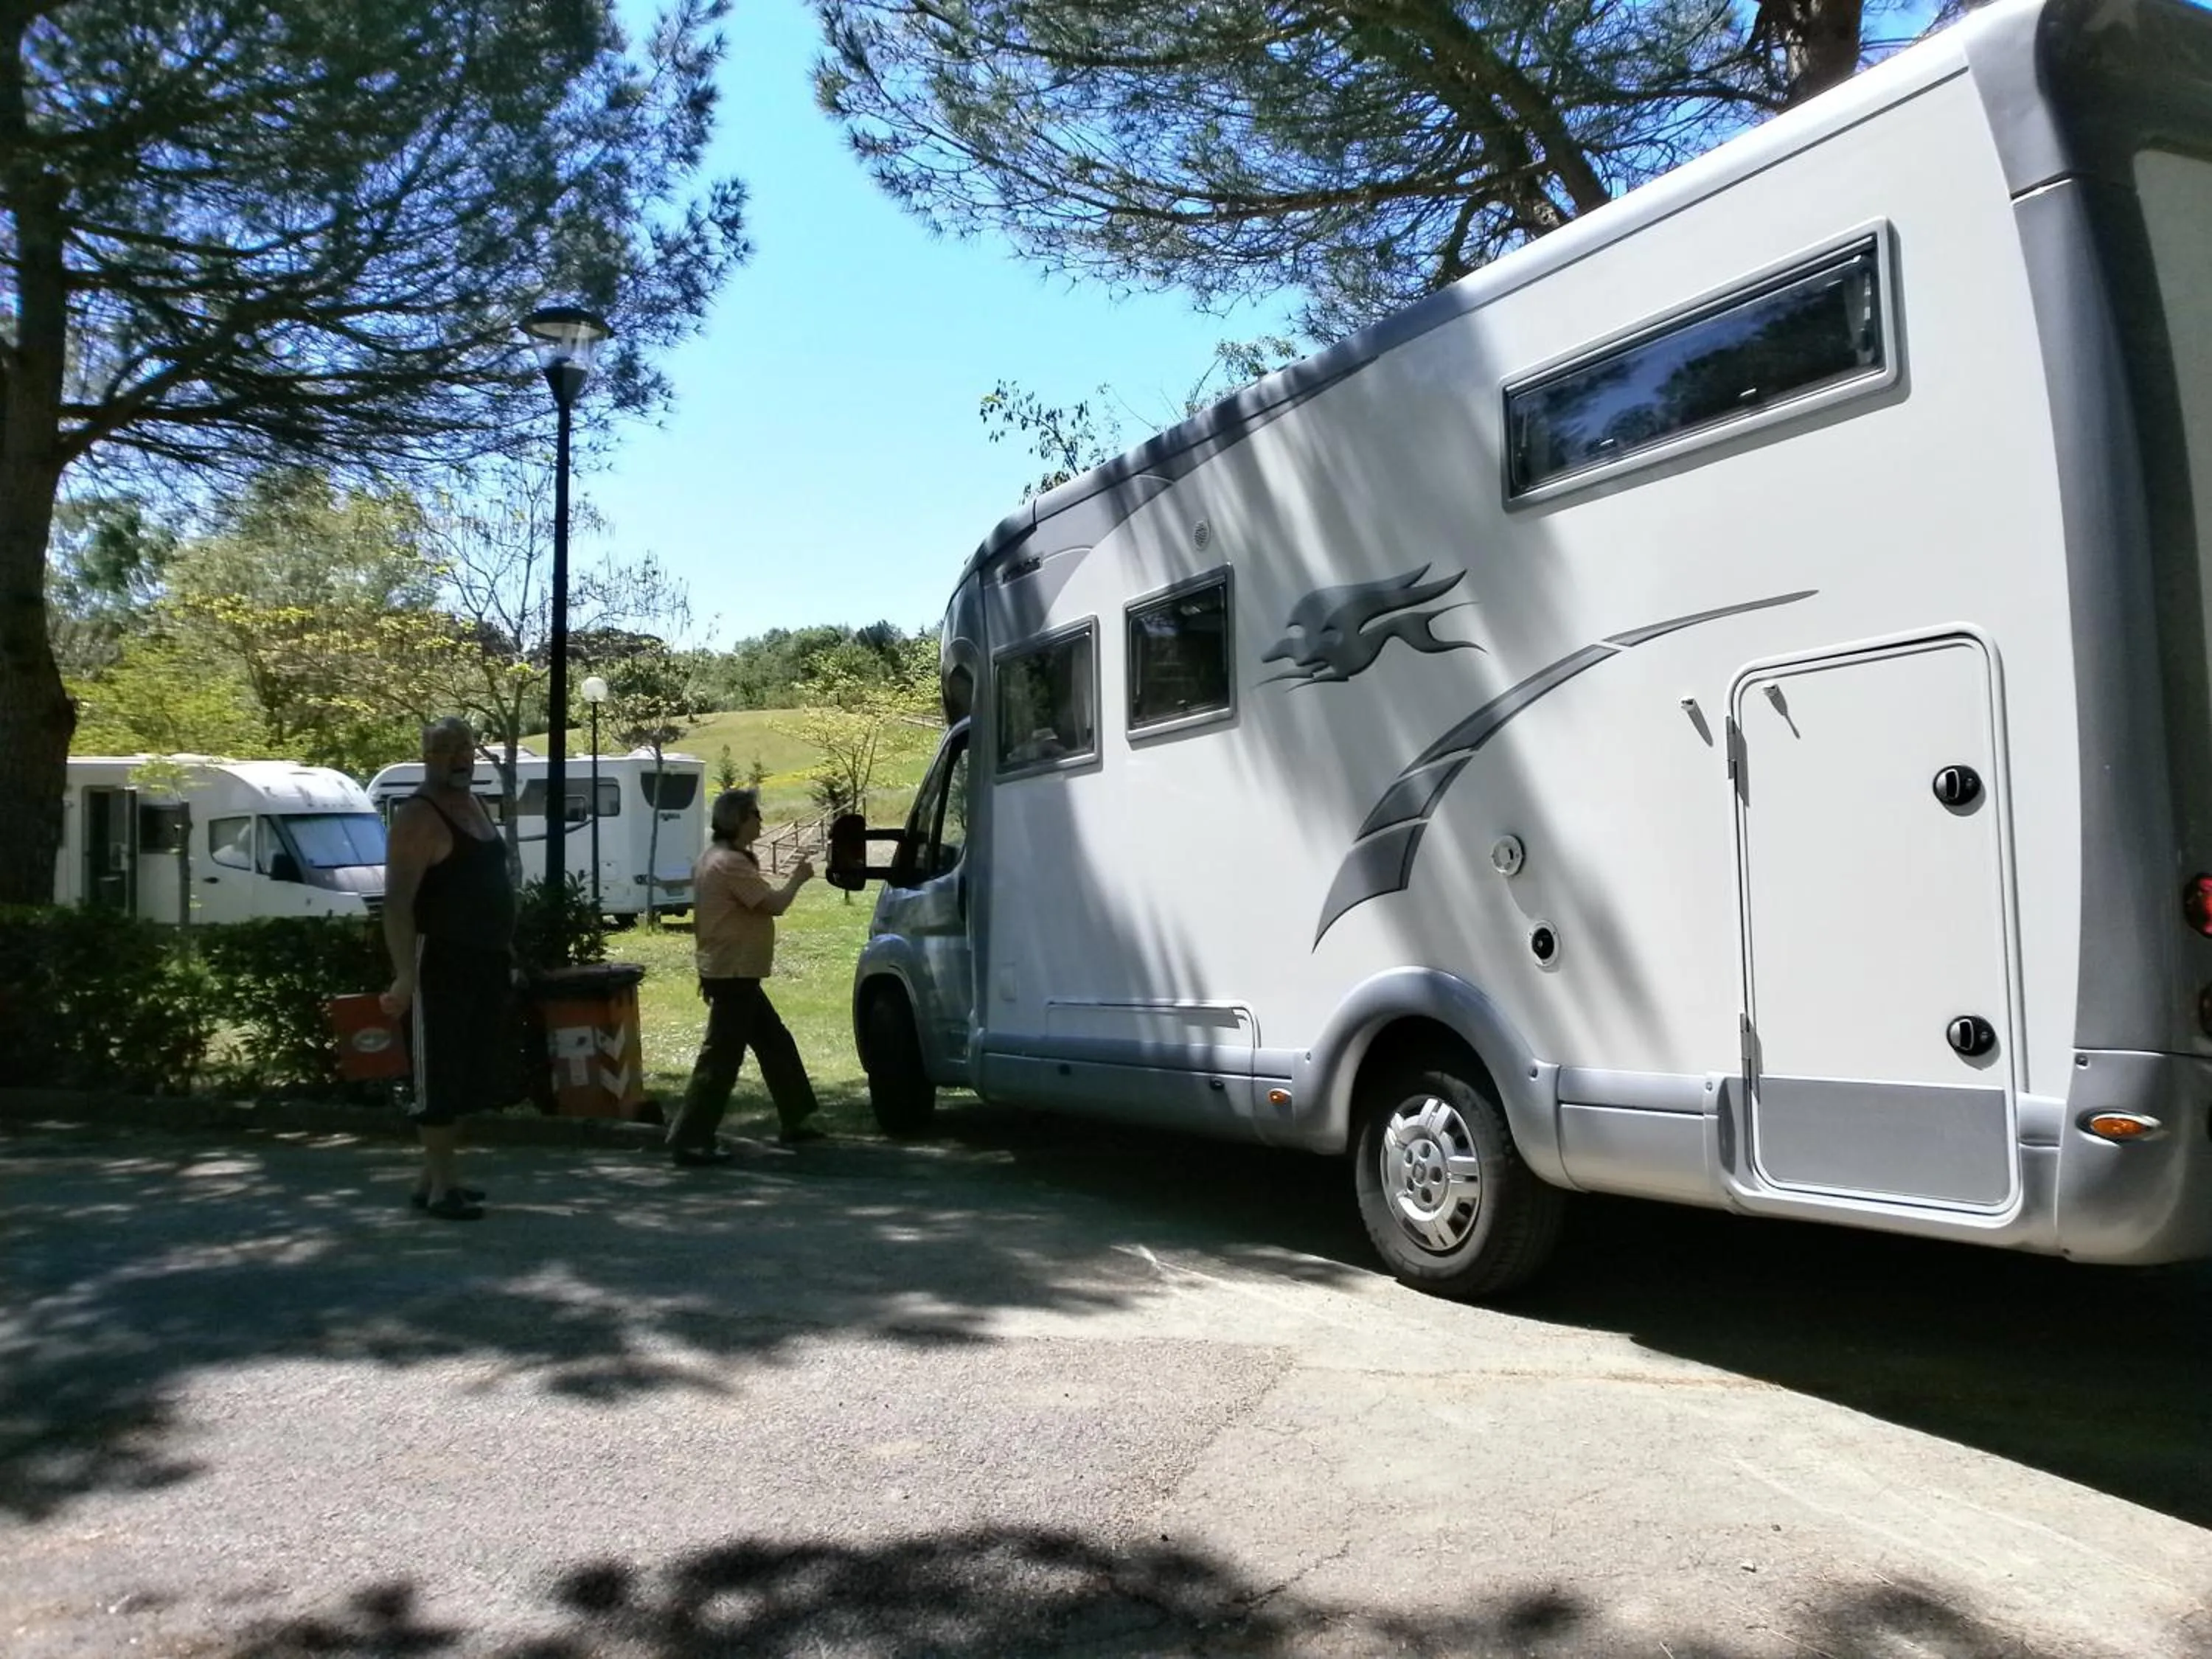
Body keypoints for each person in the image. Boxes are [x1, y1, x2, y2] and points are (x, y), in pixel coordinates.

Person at [379, 717, 516, 1220]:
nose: (459, 756)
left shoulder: (473, 803)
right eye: (445, 748)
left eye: (465, 747)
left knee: (466, 1076)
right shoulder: (419, 815)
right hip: (440, 961)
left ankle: (432, 1178)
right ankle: (442, 1191)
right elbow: (397, 904)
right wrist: (404, 975)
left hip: (487, 958)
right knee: (437, 1077)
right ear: (427, 756)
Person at [667, 787, 822, 1164]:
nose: (760, 820)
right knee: (720, 1058)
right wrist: (799, 877)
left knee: (775, 1043)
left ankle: (796, 1120)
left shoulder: (717, 858)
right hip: (734, 972)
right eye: (754, 813)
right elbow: (774, 905)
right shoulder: (730, 864)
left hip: (733, 970)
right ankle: (691, 1138)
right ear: (737, 819)